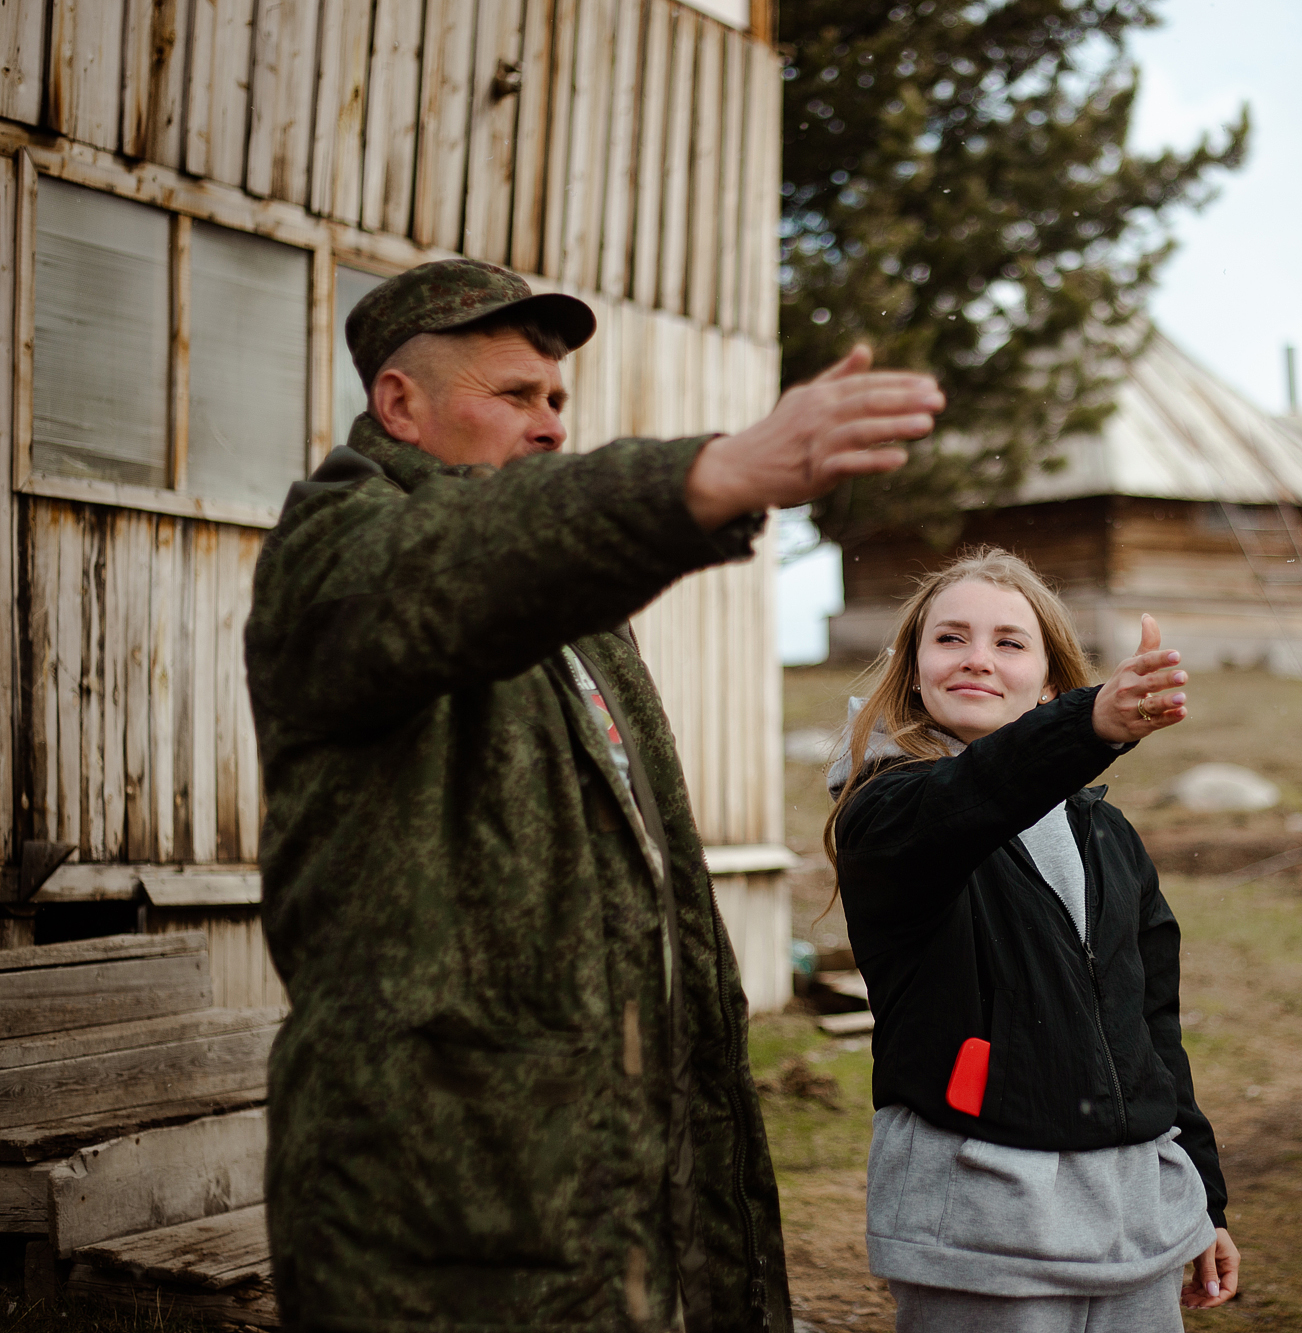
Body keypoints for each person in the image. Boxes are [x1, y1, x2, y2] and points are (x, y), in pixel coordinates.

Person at [246, 257, 941, 1331]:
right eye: (515, 395)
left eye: (559, 400)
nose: (551, 426)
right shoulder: (335, 549)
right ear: (400, 405)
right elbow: (463, 565)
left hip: (615, 1200)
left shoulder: (574, 614)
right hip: (438, 1224)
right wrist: (710, 472)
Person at [824, 548, 1241, 1332]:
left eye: (1009, 642)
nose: (977, 658)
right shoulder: (886, 812)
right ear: (915, 672)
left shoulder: (1107, 835)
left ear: (1048, 681)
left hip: (1135, 1227)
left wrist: (1203, 1198)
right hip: (980, 1225)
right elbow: (971, 795)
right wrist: (1086, 725)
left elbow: (1152, 1029)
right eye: (950, 639)